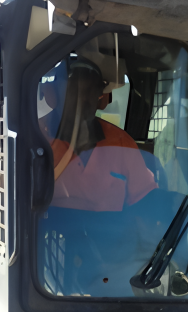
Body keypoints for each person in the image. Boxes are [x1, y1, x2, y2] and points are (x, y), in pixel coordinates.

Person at [49, 56, 156, 212]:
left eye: (90, 91)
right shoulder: (34, 138)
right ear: (54, 94)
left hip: (110, 228)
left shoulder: (122, 144)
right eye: (74, 90)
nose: (83, 99)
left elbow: (145, 204)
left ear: (101, 98)